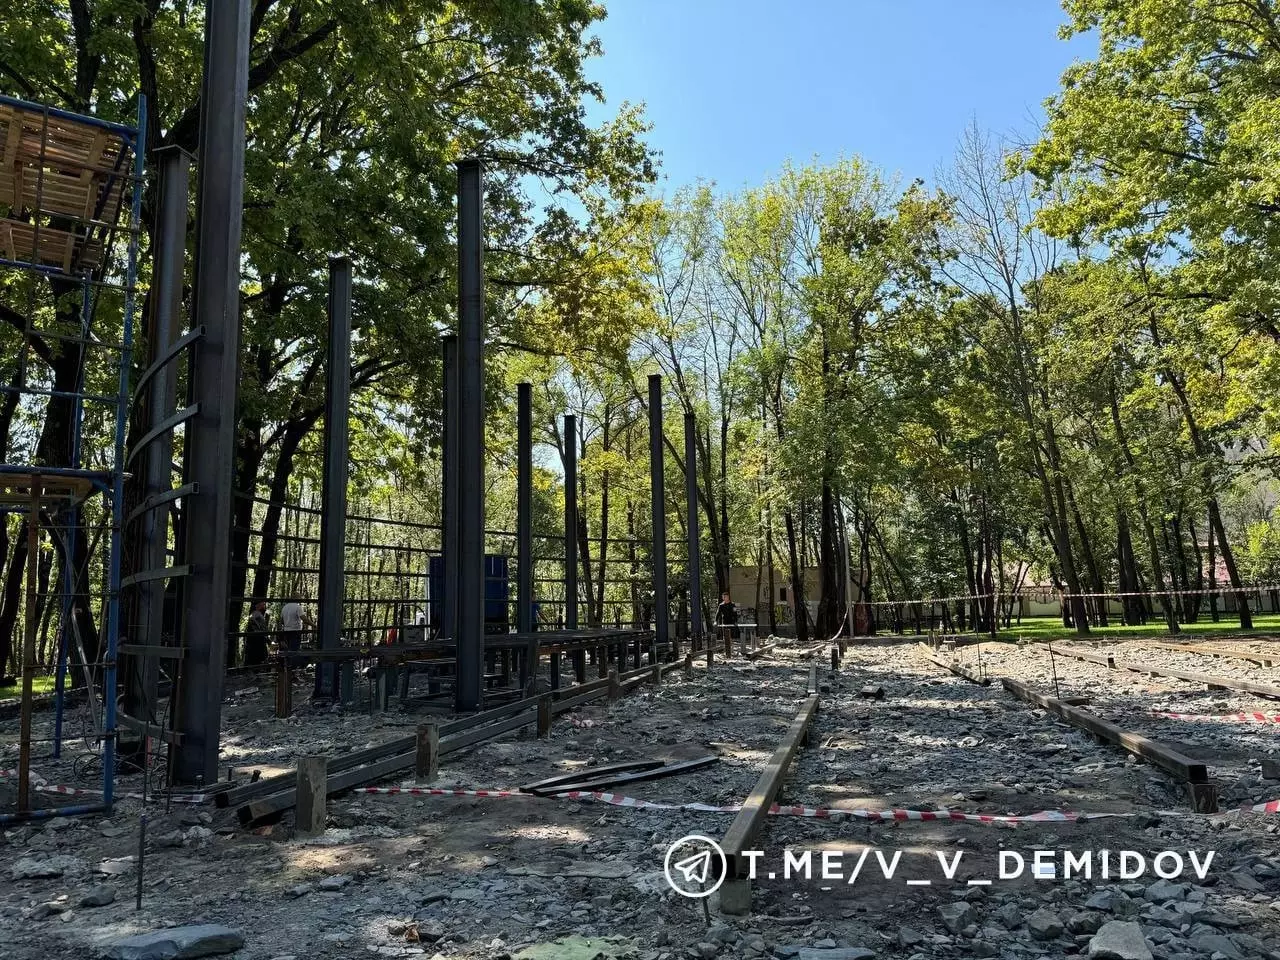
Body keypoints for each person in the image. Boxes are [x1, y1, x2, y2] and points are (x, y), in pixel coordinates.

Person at [244, 600, 269, 666]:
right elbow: (252, 618)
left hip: (260, 637)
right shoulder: (256, 613)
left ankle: (257, 669)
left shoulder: (259, 614)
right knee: (258, 655)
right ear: (258, 605)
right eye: (263, 604)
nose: (264, 605)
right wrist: (258, 626)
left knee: (261, 655)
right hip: (258, 637)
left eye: (264, 604)